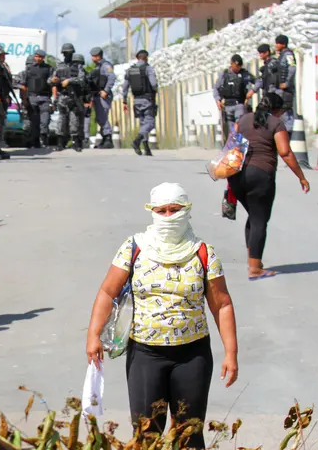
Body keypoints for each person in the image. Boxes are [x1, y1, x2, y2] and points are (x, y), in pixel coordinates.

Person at [86, 183, 238, 449]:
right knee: (146, 435)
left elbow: (222, 304)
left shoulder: (203, 253)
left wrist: (231, 353)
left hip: (193, 356)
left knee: (189, 434)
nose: (168, 216)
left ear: (187, 211)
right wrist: (93, 335)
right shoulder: (134, 248)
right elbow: (107, 292)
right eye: (162, 210)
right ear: (152, 212)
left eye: (175, 210)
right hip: (145, 355)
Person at [230, 93, 310, 280]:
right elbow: (285, 152)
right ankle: (255, 269)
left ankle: (253, 261)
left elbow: (231, 147)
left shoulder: (242, 120)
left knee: (253, 216)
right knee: (259, 220)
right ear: (277, 110)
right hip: (260, 175)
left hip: (237, 175)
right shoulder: (275, 123)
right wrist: (301, 177)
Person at [50, 43, 86, 152]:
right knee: (61, 120)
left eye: (69, 53)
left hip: (74, 96)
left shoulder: (78, 67)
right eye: (66, 53)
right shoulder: (59, 66)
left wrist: (69, 80)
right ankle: (60, 143)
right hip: (62, 96)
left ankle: (75, 142)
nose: (67, 55)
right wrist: (53, 80)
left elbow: (81, 79)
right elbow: (50, 80)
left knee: (74, 120)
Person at [123, 50, 159, 156]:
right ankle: (137, 141)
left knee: (143, 123)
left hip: (136, 100)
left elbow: (125, 87)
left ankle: (146, 149)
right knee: (150, 123)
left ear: (137, 58)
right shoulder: (148, 68)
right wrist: (155, 90)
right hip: (147, 100)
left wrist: (124, 100)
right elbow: (153, 84)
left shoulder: (130, 70)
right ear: (146, 58)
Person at [213, 54, 254, 137]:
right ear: (231, 64)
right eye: (236, 66)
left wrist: (253, 90)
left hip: (239, 104)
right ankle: (234, 148)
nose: (237, 68)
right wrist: (217, 100)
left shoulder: (244, 74)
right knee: (231, 130)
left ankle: (241, 147)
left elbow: (258, 81)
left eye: (239, 66)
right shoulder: (224, 75)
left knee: (240, 126)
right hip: (227, 106)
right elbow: (216, 89)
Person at [22, 51, 53, 149]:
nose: (38, 58)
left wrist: (53, 99)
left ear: (43, 57)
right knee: (34, 121)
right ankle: (34, 141)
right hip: (32, 97)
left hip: (45, 97)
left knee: (45, 121)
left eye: (40, 57)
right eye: (36, 56)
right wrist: (24, 99)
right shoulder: (29, 69)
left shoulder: (49, 68)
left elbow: (52, 83)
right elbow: (23, 85)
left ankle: (43, 140)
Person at [89, 47, 116, 149]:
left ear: (98, 56)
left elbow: (112, 77)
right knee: (100, 118)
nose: (92, 58)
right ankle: (105, 139)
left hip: (103, 95)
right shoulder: (98, 66)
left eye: (93, 56)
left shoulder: (106, 65)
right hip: (98, 95)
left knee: (103, 117)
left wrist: (106, 90)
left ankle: (108, 139)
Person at [274, 35, 297, 136]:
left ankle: (289, 134)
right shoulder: (281, 55)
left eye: (278, 43)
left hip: (286, 90)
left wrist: (287, 83)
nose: (276, 45)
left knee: (286, 111)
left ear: (283, 44)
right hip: (281, 90)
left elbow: (292, 68)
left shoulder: (288, 54)